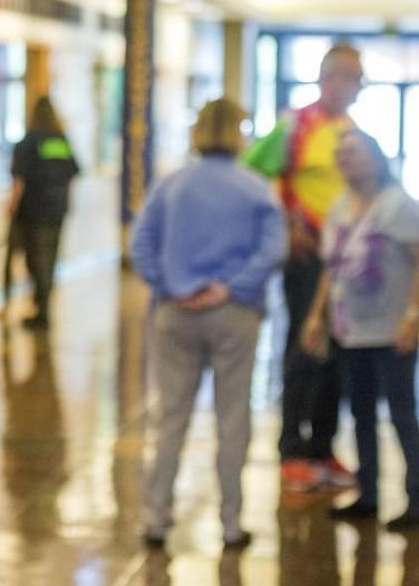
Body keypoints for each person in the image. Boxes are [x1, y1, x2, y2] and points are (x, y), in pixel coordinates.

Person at [131, 98, 287, 549]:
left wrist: (170, 286)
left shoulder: (171, 186)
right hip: (234, 313)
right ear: (240, 132)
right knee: (232, 418)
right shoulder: (256, 189)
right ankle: (231, 522)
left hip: (174, 312)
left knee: (171, 416)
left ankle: (156, 518)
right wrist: (232, 287)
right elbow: (273, 250)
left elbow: (141, 245)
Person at [241, 43, 364, 490]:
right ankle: (292, 449)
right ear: (327, 78)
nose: (354, 86)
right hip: (307, 256)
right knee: (303, 349)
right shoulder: (294, 125)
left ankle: (322, 449)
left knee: (337, 355)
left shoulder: (350, 129)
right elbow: (251, 172)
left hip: (344, 259)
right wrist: (286, 224)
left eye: (359, 79)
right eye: (348, 76)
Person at [301, 129, 419, 530]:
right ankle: (368, 493)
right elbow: (331, 269)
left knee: (402, 414)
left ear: (375, 158)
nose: (343, 158)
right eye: (340, 153)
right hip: (349, 330)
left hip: (391, 330)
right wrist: (316, 316)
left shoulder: (397, 205)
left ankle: (416, 497)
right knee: (361, 414)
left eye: (351, 152)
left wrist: (412, 316)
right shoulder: (340, 206)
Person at [6, 95, 81, 330]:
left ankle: (42, 311)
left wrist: (11, 205)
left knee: (36, 260)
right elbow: (74, 172)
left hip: (34, 210)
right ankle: (44, 307)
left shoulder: (29, 141)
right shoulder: (61, 141)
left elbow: (19, 180)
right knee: (50, 258)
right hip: (58, 209)